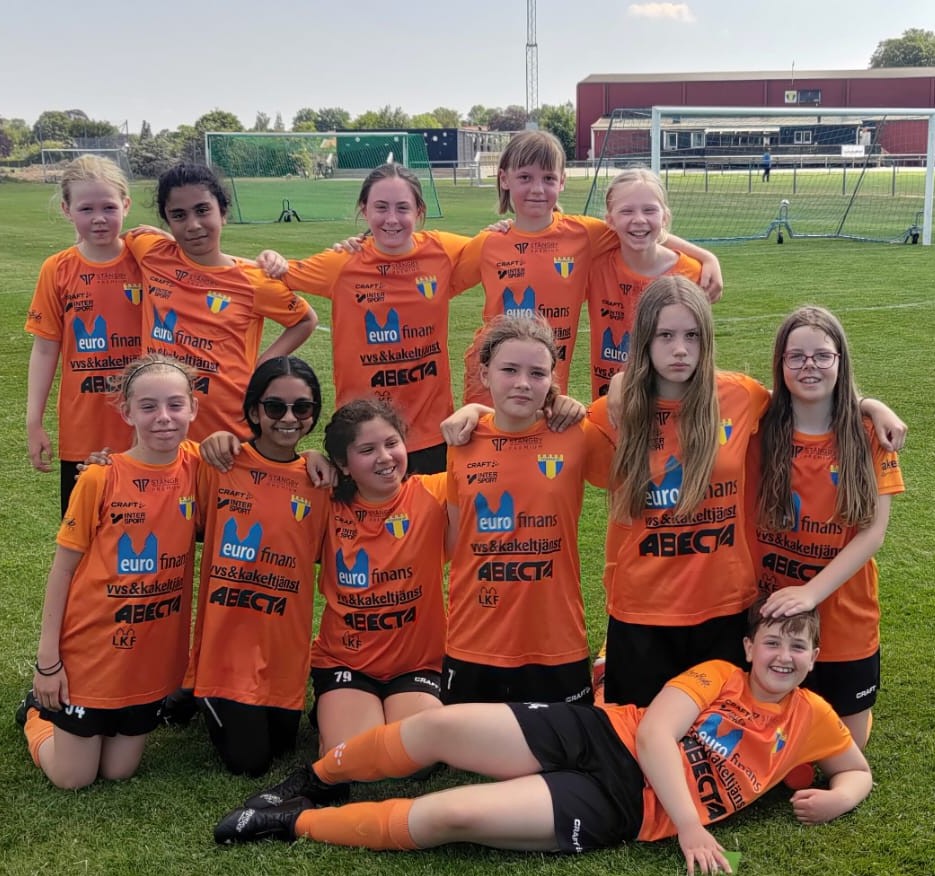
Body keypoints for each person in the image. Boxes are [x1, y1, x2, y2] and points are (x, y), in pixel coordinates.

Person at [215, 603, 873, 876]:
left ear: (814, 658)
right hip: (605, 733)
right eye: (773, 642)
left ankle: (292, 822)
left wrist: (839, 797)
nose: (783, 656)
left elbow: (856, 770)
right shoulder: (719, 674)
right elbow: (656, 736)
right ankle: (313, 780)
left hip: (623, 806)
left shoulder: (812, 717)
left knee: (450, 814)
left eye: (798, 647)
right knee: (439, 726)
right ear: (750, 646)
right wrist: (692, 828)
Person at [601, 280, 907, 709]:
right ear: (644, 340)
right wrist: (621, 382)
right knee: (634, 735)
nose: (680, 349)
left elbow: (808, 394)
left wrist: (868, 404)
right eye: (665, 335)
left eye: (692, 335)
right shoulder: (613, 415)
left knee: (730, 726)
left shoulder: (741, 397)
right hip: (646, 611)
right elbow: (552, 432)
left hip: (730, 609)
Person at [244, 398, 450, 808]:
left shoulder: (433, 492)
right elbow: (269, 479)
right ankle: (334, 715)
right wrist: (308, 457)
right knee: (355, 759)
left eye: (392, 443)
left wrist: (475, 412)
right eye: (367, 450)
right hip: (346, 663)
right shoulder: (326, 503)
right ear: (343, 463)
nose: (385, 458)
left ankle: (378, 717)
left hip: (416, 663)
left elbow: (488, 461)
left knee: (416, 760)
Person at [16, 354, 200, 789]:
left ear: (193, 408)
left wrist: (311, 457)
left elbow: (255, 460)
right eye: (148, 406)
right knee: (73, 777)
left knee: (119, 771)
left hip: (146, 658)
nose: (163, 417)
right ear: (127, 412)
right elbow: (63, 571)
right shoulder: (99, 477)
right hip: (91, 651)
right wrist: (48, 661)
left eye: (175, 404)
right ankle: (36, 713)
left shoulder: (199, 466)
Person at [454, 130, 723, 405]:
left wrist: (706, 256)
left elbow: (640, 229)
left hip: (545, 382)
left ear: (562, 181)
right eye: (525, 177)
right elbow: (444, 276)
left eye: (548, 178)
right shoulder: (488, 243)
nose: (537, 189)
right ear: (504, 179)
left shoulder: (583, 234)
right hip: (489, 381)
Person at [257, 163, 475, 474]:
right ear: (364, 209)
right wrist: (270, 258)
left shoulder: (442, 251)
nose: (392, 219)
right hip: (359, 435)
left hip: (428, 435)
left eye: (403, 208)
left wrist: (516, 224)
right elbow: (268, 278)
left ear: (419, 211)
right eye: (381, 207)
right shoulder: (343, 262)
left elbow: (498, 250)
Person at [752, 306, 904, 749]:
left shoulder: (870, 436)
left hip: (845, 621)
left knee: (844, 749)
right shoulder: (759, 426)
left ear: (841, 360)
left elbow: (873, 534)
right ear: (780, 363)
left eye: (822, 356)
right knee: (776, 746)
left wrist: (811, 593)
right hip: (772, 612)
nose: (809, 366)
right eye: (796, 357)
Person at [443, 314, 615, 705]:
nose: (523, 382)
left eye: (537, 373)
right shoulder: (462, 439)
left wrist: (580, 408)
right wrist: (475, 410)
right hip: (474, 637)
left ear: (552, 380)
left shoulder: (576, 434)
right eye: (509, 370)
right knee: (466, 736)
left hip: (555, 641)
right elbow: (457, 538)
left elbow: (634, 468)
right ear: (484, 374)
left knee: (562, 736)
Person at [188, 356, 330, 776]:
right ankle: (194, 687)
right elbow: (157, 469)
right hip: (227, 651)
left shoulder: (321, 481)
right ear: (253, 411)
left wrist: (318, 455)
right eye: (274, 407)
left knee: (284, 745)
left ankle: (183, 696)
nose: (288, 418)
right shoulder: (221, 463)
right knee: (250, 762)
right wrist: (103, 467)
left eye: (301, 408)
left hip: (283, 649)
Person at [124, 162, 316, 442]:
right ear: (167, 221)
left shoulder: (254, 280)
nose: (193, 225)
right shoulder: (151, 252)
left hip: (229, 428)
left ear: (223, 213)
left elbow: (305, 320)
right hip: (164, 426)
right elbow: (121, 239)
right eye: (179, 215)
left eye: (203, 210)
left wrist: (262, 367)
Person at [25, 155, 142, 515]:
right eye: (86, 208)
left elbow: (205, 264)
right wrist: (34, 421)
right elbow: (45, 349)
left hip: (146, 430)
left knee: (145, 535)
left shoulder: (147, 261)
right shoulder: (57, 269)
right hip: (83, 433)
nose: (99, 218)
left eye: (109, 207)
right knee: (83, 535)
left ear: (126, 204)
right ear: (67, 210)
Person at [587, 168, 707, 399]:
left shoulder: (693, 274)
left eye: (649, 210)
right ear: (610, 220)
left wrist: (708, 259)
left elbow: (698, 344)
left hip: (675, 403)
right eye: (627, 211)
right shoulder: (595, 268)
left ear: (665, 217)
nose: (639, 220)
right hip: (611, 402)